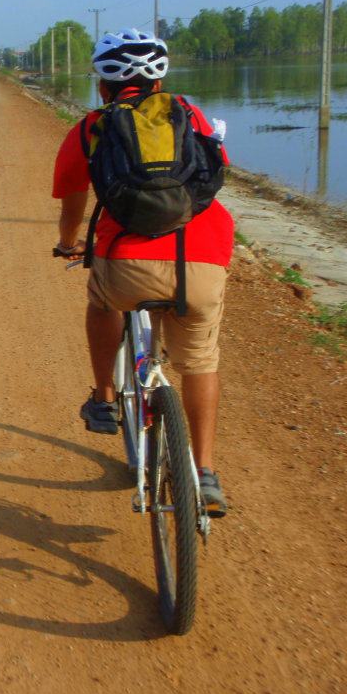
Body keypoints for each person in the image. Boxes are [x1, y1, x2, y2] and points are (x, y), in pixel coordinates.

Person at [51, 29, 233, 517]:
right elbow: (216, 173)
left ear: (104, 84)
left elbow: (73, 198)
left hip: (125, 260)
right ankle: (206, 473)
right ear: (160, 79)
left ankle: (105, 398)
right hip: (202, 258)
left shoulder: (92, 126)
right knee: (199, 360)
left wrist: (68, 243)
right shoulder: (190, 115)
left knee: (102, 301)